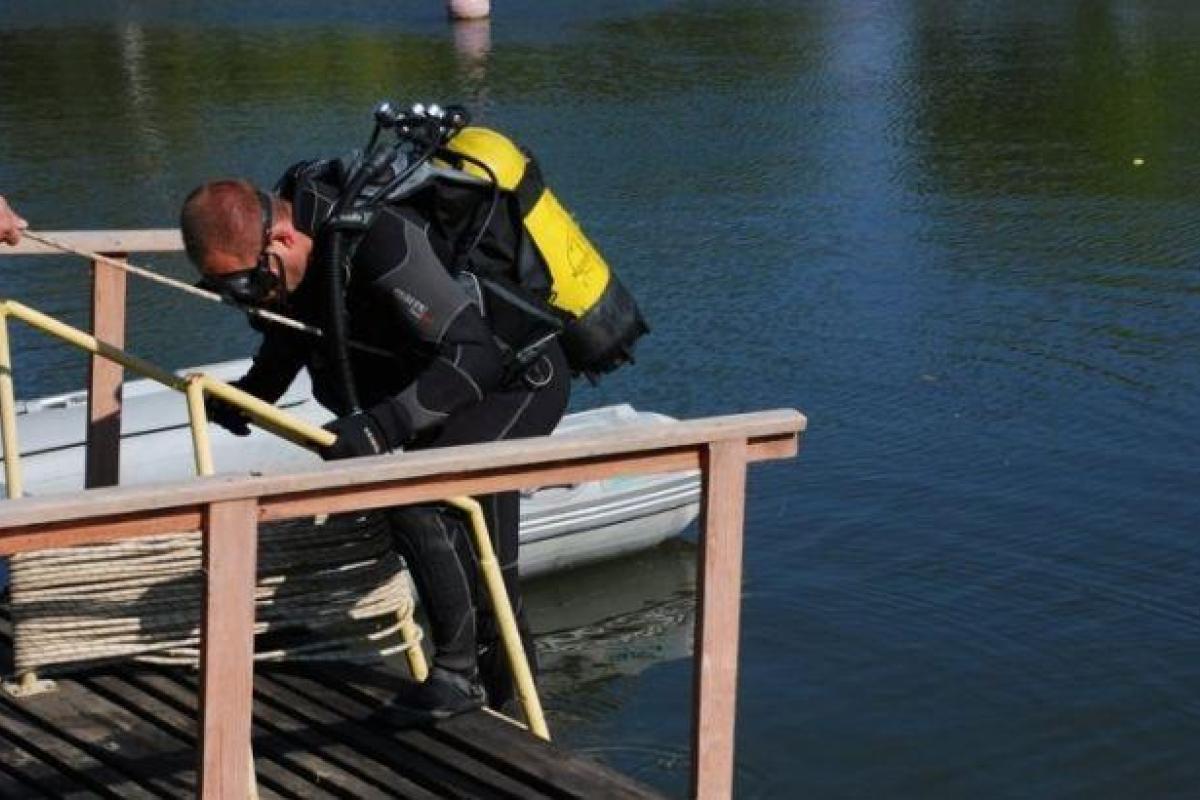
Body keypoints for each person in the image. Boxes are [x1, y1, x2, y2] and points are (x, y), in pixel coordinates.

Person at [179, 178, 570, 721]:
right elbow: (295, 331)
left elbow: (475, 357)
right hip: (441, 388)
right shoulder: (308, 260)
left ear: (284, 239)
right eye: (226, 290)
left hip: (513, 381)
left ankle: (473, 687)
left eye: (249, 282)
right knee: (425, 511)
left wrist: (382, 427)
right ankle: (487, 698)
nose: (248, 299)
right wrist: (250, 396)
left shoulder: (378, 240)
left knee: (449, 525)